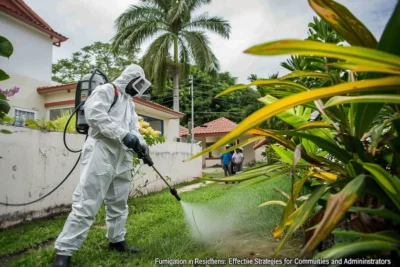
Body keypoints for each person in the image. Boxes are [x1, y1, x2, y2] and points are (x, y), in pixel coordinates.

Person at [52, 65, 153, 267]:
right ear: (129, 79)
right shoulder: (107, 90)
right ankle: (64, 252)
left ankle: (117, 241)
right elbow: (95, 116)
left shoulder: (129, 103)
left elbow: (134, 128)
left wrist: (143, 146)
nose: (137, 89)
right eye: (137, 84)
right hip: (101, 151)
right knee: (86, 201)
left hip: (121, 156)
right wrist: (124, 135)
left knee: (118, 203)